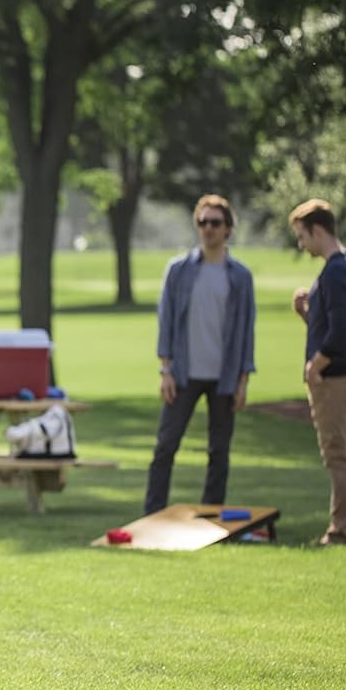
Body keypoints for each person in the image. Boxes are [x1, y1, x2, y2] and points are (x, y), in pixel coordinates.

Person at [145, 193, 257, 514]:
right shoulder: (178, 270)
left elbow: (246, 330)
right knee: (165, 446)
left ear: (228, 229)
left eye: (215, 223)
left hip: (224, 377)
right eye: (203, 222)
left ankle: (211, 517)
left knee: (219, 452)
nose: (208, 228)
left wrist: (243, 381)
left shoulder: (240, 276)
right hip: (182, 374)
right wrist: (165, 370)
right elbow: (166, 322)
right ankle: (152, 513)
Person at [291, 198, 346, 546]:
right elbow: (330, 326)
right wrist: (306, 313)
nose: (301, 244)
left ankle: (340, 532)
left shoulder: (336, 272)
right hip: (339, 373)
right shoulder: (342, 268)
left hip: (333, 377)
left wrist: (314, 366)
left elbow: (339, 332)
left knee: (337, 454)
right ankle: (345, 526)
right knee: (345, 454)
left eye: (302, 236)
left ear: (318, 230)